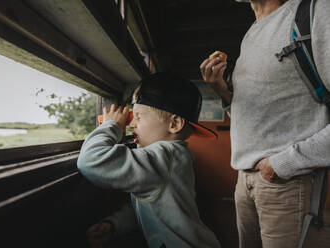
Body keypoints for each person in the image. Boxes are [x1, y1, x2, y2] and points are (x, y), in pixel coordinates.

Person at [200, 0, 330, 247]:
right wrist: (224, 92)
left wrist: (283, 163)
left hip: (288, 181)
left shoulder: (316, 11)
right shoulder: (251, 32)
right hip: (245, 179)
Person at [77, 72, 221, 248]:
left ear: (174, 124)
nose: (131, 124)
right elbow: (147, 205)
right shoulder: (172, 157)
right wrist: (114, 225)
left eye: (138, 117)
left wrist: (112, 126)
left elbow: (91, 160)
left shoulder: (162, 156)